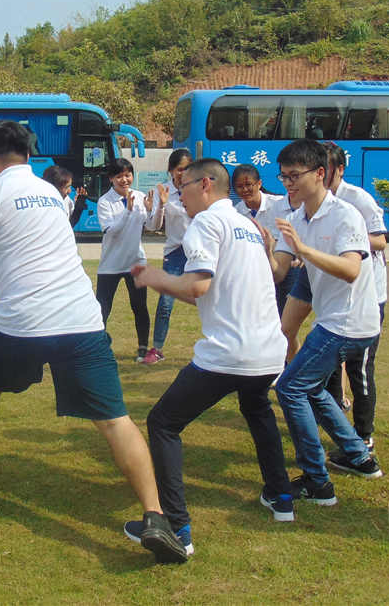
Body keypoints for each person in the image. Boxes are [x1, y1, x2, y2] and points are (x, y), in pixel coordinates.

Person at [0, 120, 188, 564]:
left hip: (21, 321)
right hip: (79, 317)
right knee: (115, 419)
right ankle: (154, 516)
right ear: (28, 154)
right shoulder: (49, 192)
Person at [125, 159, 292, 546]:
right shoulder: (246, 225)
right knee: (257, 409)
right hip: (268, 352)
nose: (179, 196)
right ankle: (281, 497)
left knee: (163, 423)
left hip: (231, 353)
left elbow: (197, 287)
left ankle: (176, 528)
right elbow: (217, 291)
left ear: (205, 185)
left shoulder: (206, 223)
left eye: (182, 187)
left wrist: (153, 277)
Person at [264, 139, 382, 507]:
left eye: (294, 176)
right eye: (283, 177)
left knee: (290, 388)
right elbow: (279, 272)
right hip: (333, 321)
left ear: (319, 173)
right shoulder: (297, 218)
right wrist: (266, 250)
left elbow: (350, 269)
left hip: (349, 324)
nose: (288, 184)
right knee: (309, 386)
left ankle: (318, 482)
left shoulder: (346, 215)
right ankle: (358, 457)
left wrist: (305, 250)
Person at [310, 142, 387, 451]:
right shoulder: (314, 201)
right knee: (328, 364)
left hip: (368, 295)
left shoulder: (357, 199)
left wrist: (345, 235)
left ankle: (364, 434)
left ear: (339, 170)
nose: (319, 174)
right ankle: (337, 424)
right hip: (333, 293)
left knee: (360, 367)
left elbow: (380, 241)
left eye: (325, 168)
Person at [96, 158, 155, 362]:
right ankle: (97, 348)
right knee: (102, 309)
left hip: (136, 261)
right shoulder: (104, 202)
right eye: (119, 176)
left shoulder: (140, 196)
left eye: (128, 175)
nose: (124, 180)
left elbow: (153, 227)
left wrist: (155, 209)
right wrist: (128, 211)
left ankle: (142, 348)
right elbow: (111, 231)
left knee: (140, 307)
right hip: (110, 264)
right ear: (111, 178)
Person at [232, 163, 302, 316]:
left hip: (286, 264)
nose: (245, 190)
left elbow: (295, 230)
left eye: (249, 185)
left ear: (259, 183)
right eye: (240, 186)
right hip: (258, 269)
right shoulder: (236, 212)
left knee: (285, 315)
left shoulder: (278, 204)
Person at [143, 149, 192, 364]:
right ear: (171, 170)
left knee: (214, 299)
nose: (183, 173)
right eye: (179, 169)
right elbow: (154, 226)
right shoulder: (163, 191)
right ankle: (157, 349)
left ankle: (222, 346)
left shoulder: (198, 188)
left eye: (187, 169)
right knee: (165, 302)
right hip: (175, 252)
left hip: (200, 250)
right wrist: (162, 204)